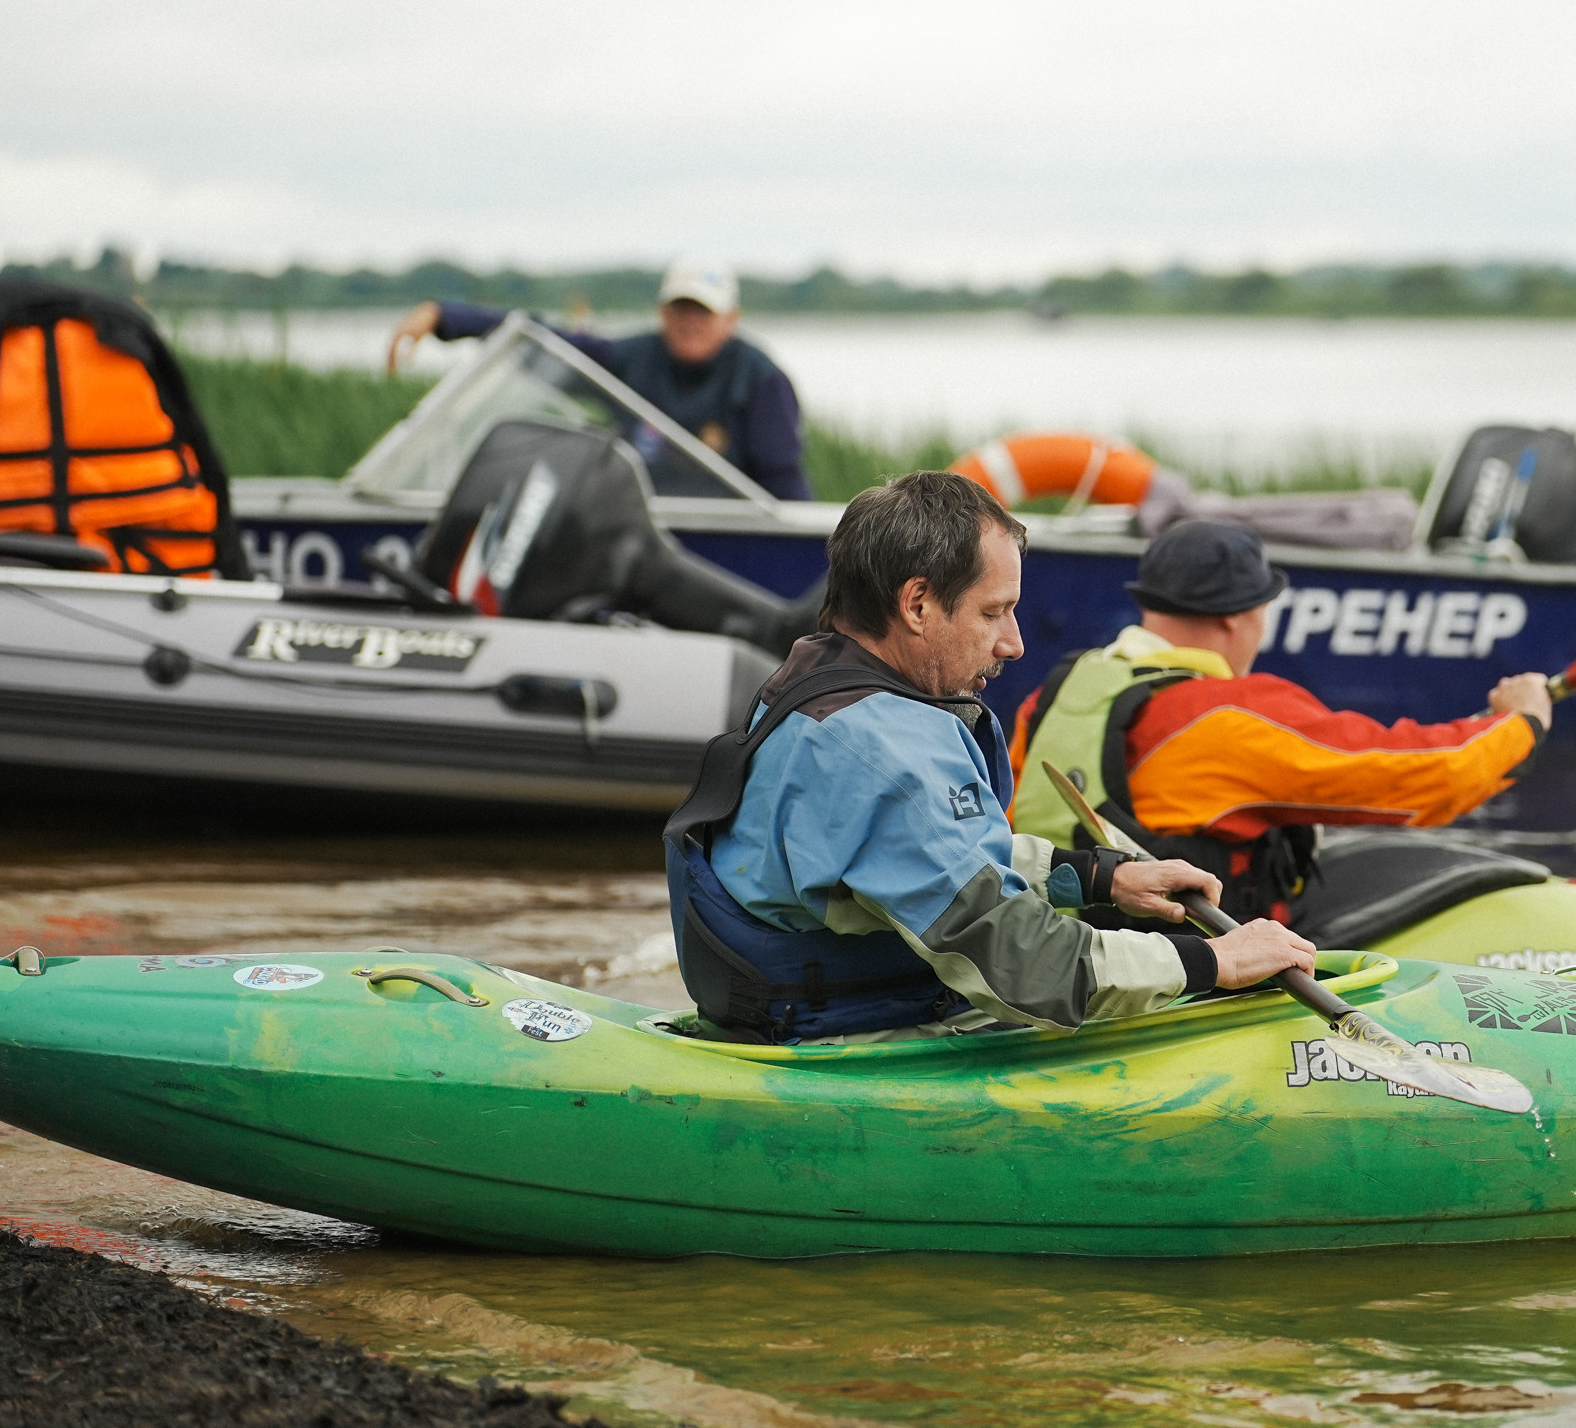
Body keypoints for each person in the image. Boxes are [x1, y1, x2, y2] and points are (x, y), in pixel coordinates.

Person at [665, 472, 1314, 1043]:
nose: (1015, 643)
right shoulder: (878, 752)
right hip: (842, 1033)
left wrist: (1098, 879)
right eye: (994, 612)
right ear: (917, 604)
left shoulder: (824, 683)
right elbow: (1028, 970)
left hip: (806, 1002)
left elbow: (924, 857)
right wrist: (1214, 962)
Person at [1007, 520, 1553, 920]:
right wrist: (1522, 723)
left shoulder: (1057, 691)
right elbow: (1420, 776)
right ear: (1239, 616)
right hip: (1184, 983)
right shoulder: (1227, 715)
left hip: (1056, 951)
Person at [386, 258, 810, 499]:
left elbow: (785, 486)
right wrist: (447, 316)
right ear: (662, 312)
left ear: (731, 320)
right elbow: (547, 342)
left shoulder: (761, 379)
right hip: (636, 529)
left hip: (725, 537)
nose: (690, 322)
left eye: (704, 312)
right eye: (681, 309)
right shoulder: (633, 358)